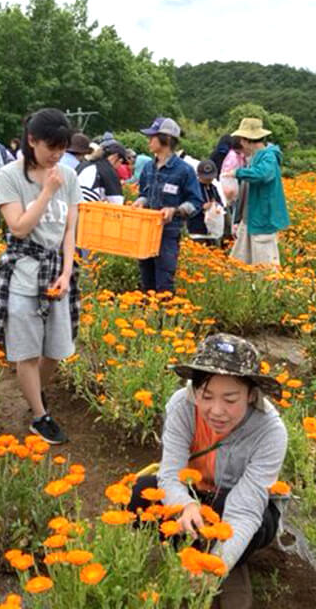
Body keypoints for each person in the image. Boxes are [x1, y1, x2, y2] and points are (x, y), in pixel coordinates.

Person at [128, 333, 288, 609]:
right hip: (195, 495)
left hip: (239, 506)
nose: (216, 410)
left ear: (251, 394)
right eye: (207, 396)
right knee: (143, 493)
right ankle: (190, 550)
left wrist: (217, 565)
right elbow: (170, 474)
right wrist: (185, 505)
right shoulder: (181, 406)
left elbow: (245, 511)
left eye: (230, 399)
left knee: (251, 517)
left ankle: (225, 560)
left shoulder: (270, 432)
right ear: (194, 389)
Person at [0, 108, 82, 444]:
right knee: (26, 351)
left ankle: (35, 395)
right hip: (23, 273)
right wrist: (46, 192)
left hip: (57, 272)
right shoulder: (10, 175)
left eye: (62, 148)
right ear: (32, 140)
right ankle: (40, 416)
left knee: (57, 348)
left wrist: (68, 271)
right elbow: (19, 226)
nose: (57, 155)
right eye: (50, 147)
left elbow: (71, 228)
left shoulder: (68, 176)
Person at [133, 117, 203, 293]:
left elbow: (196, 203)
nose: (149, 141)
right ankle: (148, 316)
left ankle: (164, 318)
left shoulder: (184, 170)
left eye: (153, 137)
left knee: (164, 281)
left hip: (168, 233)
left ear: (167, 139)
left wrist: (176, 210)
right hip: (146, 231)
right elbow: (144, 193)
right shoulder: (148, 167)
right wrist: (141, 201)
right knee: (146, 280)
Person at [224, 118, 290, 266]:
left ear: (247, 140)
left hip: (262, 220)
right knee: (238, 266)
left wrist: (238, 173)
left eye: (241, 139)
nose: (240, 143)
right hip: (249, 220)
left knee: (265, 270)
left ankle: (265, 290)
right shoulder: (254, 157)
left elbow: (263, 174)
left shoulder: (269, 156)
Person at [187, 160, 225, 246]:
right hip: (197, 229)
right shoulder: (193, 188)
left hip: (213, 230)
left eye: (211, 177)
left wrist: (217, 206)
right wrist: (202, 207)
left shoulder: (213, 188)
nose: (209, 179)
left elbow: (220, 202)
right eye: (206, 177)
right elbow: (188, 206)